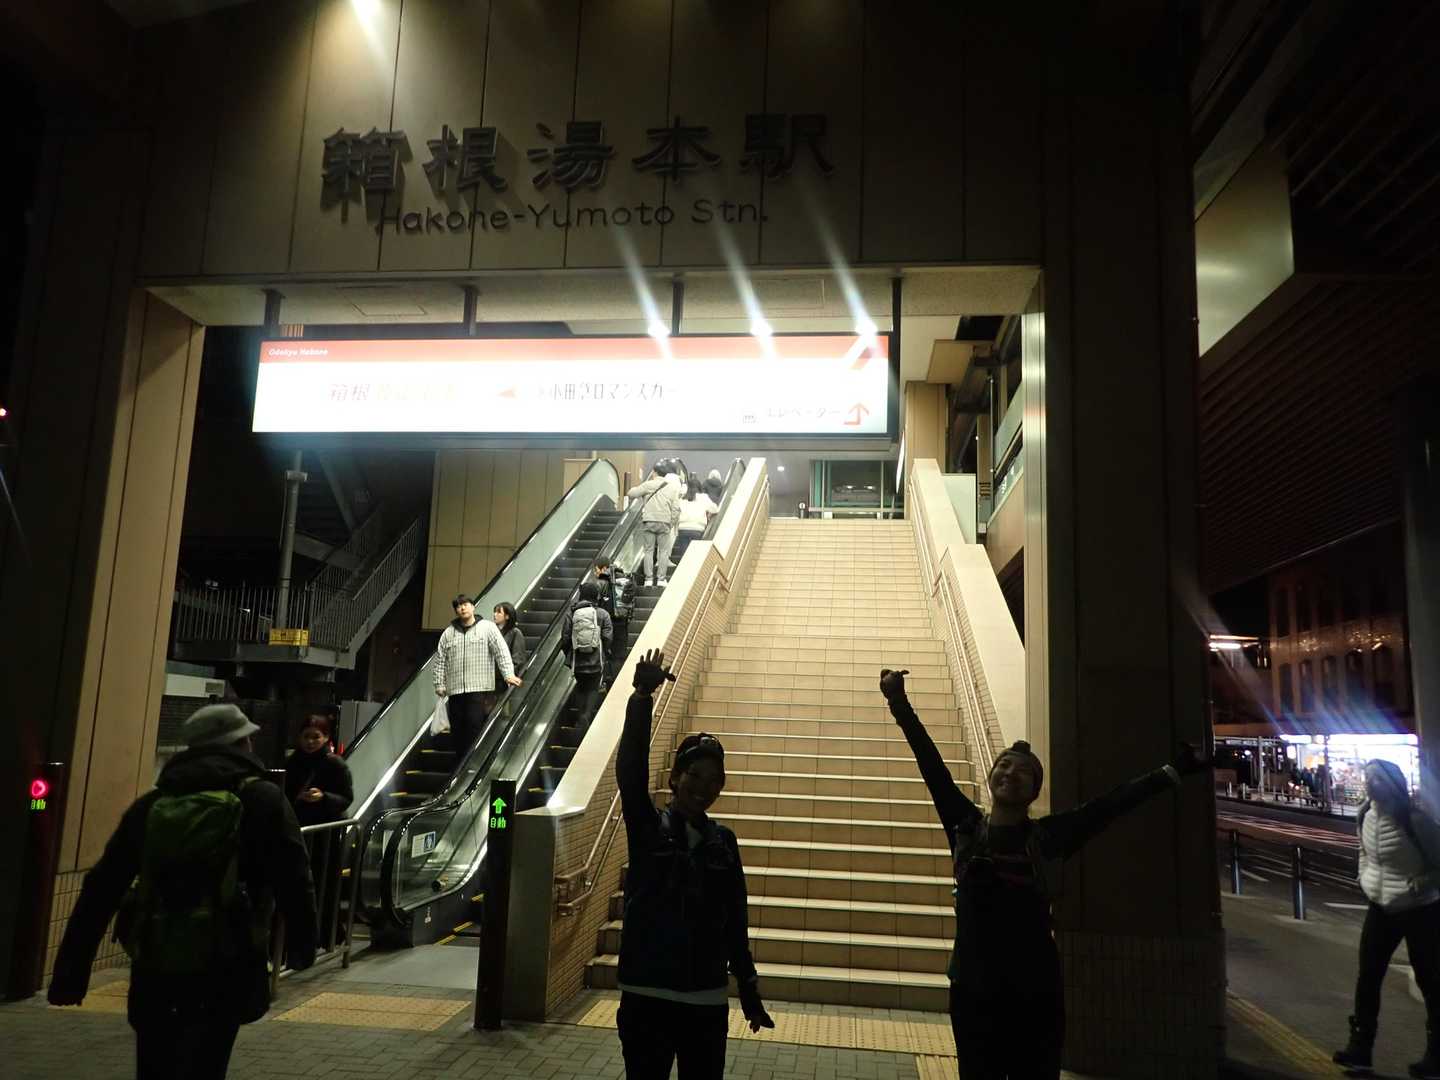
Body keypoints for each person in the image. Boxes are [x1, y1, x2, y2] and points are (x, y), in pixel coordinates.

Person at [878, 668, 1208, 1079]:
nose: (1009, 773)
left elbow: (1111, 806)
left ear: (1034, 790)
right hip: (973, 990)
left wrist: (1172, 772)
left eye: (1022, 771)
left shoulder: (1049, 837)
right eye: (1004, 765)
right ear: (991, 776)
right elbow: (932, 767)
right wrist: (898, 701)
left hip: (1035, 993)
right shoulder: (965, 827)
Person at [48, 703, 318, 1080]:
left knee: (155, 1064)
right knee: (207, 1064)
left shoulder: (153, 804)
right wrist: (304, 946)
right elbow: (294, 876)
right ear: (240, 744)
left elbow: (102, 886)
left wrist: (71, 973)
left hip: (157, 957)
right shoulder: (263, 799)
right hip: (227, 959)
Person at [615, 649, 774, 1078]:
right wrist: (641, 697)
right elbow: (630, 774)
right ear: (674, 779)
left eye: (714, 780)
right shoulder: (648, 829)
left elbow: (735, 920)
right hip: (646, 995)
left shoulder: (723, 843)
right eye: (695, 776)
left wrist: (748, 988)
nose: (704, 787)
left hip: (705, 998)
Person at [1333, 759, 1440, 1077]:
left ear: (1394, 783)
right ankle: (1360, 1049)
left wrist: (1424, 882)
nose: (1370, 783)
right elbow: (1364, 852)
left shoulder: (1415, 820)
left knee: (1431, 981)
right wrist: (1363, 878)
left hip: (1421, 909)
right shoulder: (1365, 814)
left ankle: (1437, 1056)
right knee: (1368, 976)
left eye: (1377, 778)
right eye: (1368, 778)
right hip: (1381, 907)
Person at [433, 593, 522, 754]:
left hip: (479, 690)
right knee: (457, 731)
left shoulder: (487, 627)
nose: (462, 608)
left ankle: (471, 761)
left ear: (473, 607)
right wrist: (439, 683)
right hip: (455, 690)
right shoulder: (448, 633)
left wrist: (508, 674)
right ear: (456, 611)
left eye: (465, 604)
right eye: (458, 606)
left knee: (474, 728)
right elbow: (440, 660)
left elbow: (501, 651)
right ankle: (459, 764)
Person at [283, 710, 353, 827]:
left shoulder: (335, 764)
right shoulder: (292, 762)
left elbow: (346, 798)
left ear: (326, 737)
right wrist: (296, 796)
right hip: (297, 823)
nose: (310, 741)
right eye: (306, 736)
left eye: (316, 737)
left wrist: (323, 797)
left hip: (325, 827)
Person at [562, 580, 614, 730]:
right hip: (596, 660)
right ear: (596, 596)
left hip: (578, 660)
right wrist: (603, 652)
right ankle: (586, 715)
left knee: (581, 687)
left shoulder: (571, 613)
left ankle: (580, 716)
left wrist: (570, 653)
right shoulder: (603, 614)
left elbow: (565, 638)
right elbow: (607, 637)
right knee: (593, 687)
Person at [629, 461, 682, 588]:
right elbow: (676, 508)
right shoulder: (672, 488)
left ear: (655, 472)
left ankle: (648, 579)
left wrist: (633, 488)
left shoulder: (648, 484)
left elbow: (631, 494)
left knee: (648, 550)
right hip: (664, 522)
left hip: (649, 521)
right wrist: (671, 522)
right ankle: (661, 579)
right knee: (663, 551)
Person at [483, 601, 528, 714]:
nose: (495, 614)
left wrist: (508, 674)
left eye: (499, 612)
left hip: (503, 681)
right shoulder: (492, 633)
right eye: (494, 612)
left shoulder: (515, 633)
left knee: (501, 712)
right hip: (489, 680)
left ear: (507, 616)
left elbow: (518, 658)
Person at [595, 558, 635, 685]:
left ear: (603, 568)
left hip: (607, 623)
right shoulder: (625, 579)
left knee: (606, 653)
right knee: (619, 655)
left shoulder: (602, 582)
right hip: (622, 622)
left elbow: (595, 604)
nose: (595, 573)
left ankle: (607, 682)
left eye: (596, 570)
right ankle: (619, 683)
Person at [672, 472, 718, 567]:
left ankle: (684, 571)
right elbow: (715, 509)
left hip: (683, 530)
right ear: (699, 487)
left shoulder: (683, 498)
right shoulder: (703, 497)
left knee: (684, 557)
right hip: (697, 530)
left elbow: (674, 510)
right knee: (695, 556)